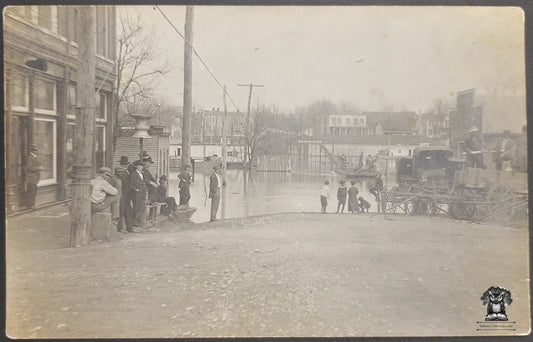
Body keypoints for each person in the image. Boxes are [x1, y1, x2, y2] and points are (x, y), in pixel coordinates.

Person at [115, 156, 134, 233]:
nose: (125, 165)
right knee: (121, 211)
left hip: (127, 194)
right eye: (125, 164)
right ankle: (120, 228)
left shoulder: (126, 172)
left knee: (128, 211)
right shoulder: (122, 173)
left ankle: (129, 228)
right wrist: (134, 188)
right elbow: (126, 184)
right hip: (123, 194)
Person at [129, 160, 148, 227]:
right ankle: (134, 221)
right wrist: (136, 189)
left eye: (142, 166)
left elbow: (145, 183)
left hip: (143, 193)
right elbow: (131, 184)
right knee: (136, 207)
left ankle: (139, 221)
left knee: (142, 207)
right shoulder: (133, 174)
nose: (141, 167)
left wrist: (146, 191)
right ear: (136, 167)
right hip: (137, 194)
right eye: (139, 166)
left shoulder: (142, 174)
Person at [24, 144, 41, 209]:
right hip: (31, 178)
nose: (36, 151)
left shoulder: (34, 157)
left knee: (33, 191)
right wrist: (38, 168)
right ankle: (30, 205)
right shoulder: (30, 157)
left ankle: (32, 204)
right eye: (35, 150)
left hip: (34, 178)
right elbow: (29, 168)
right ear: (32, 151)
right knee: (31, 191)